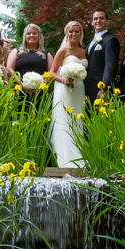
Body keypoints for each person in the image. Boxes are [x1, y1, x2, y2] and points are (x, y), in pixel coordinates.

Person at [48, 21, 87, 168]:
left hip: (79, 89)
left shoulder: (83, 52)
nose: (74, 34)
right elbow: (52, 71)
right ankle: (66, 159)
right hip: (65, 89)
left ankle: (79, 155)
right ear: (66, 33)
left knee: (78, 121)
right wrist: (64, 80)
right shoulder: (62, 51)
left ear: (80, 33)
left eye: (77, 31)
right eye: (71, 31)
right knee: (66, 120)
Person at [85, 9, 120, 102]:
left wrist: (103, 88)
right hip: (88, 87)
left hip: (99, 88)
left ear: (107, 21)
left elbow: (110, 65)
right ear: (92, 22)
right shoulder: (91, 42)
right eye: (95, 18)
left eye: (101, 18)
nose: (98, 21)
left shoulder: (110, 40)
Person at [7, 24, 53, 93]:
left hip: (39, 92)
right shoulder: (16, 51)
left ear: (39, 36)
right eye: (28, 33)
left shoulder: (47, 54)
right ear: (25, 36)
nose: (31, 35)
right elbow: (9, 69)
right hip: (19, 91)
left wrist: (41, 85)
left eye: (34, 33)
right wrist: (21, 84)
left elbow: (52, 72)